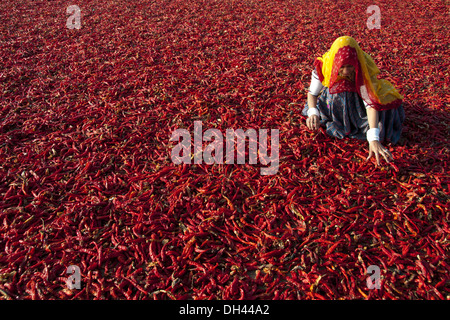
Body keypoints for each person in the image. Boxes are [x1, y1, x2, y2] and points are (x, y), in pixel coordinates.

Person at [302, 36, 405, 165]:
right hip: (335, 104)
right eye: (342, 66)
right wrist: (313, 113)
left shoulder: (362, 67)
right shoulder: (325, 65)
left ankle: (353, 121)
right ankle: (341, 118)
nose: (346, 72)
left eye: (350, 66)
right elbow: (313, 94)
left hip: (358, 105)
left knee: (381, 122)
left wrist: (373, 138)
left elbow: (369, 103)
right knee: (331, 96)